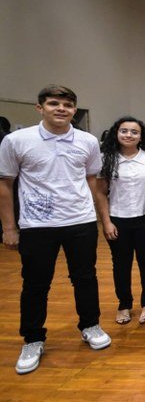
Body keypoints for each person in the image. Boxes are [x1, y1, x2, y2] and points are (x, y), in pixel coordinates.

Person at [0, 85, 111, 375]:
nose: (61, 109)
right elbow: (5, 184)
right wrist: (9, 228)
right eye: (54, 103)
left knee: (85, 278)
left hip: (80, 221)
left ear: (74, 110)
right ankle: (33, 339)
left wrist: (98, 216)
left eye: (68, 105)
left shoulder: (87, 141)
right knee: (36, 284)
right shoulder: (16, 140)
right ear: (40, 108)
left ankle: (90, 325)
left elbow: (92, 179)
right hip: (37, 225)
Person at [95, 116, 145, 325]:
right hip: (118, 219)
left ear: (141, 136)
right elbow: (100, 193)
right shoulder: (106, 158)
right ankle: (124, 304)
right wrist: (106, 222)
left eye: (134, 132)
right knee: (120, 265)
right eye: (124, 131)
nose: (129, 135)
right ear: (116, 133)